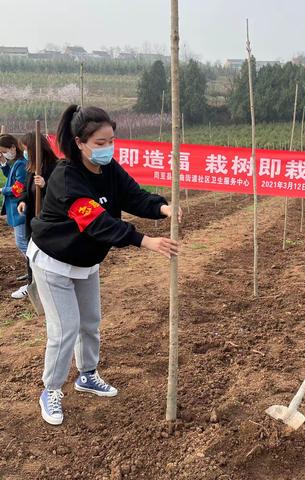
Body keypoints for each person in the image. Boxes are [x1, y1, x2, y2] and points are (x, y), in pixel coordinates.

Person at [29, 104, 180, 426]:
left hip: (85, 262)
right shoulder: (66, 179)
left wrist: (163, 207)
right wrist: (145, 241)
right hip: (54, 262)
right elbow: (97, 223)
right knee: (65, 328)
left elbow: (134, 197)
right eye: (100, 143)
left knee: (90, 323)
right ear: (80, 142)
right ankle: (51, 389)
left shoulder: (109, 169)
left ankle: (87, 375)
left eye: (111, 140)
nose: (107, 148)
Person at [17, 132, 59, 287]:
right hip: (32, 220)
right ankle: (32, 283)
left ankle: (47, 283)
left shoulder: (55, 167)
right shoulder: (32, 168)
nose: (25, 153)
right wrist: (22, 200)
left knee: (46, 253)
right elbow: (26, 190)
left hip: (48, 220)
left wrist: (45, 185)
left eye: (27, 149)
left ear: (36, 149)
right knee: (31, 251)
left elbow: (62, 194)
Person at [0, 134, 29, 298]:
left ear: (13, 148)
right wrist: (3, 165)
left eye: (4, 152)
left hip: (20, 210)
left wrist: (3, 190)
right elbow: (11, 176)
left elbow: (18, 188)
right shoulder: (17, 163)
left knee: (23, 243)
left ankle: (35, 275)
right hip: (16, 210)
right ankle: (31, 270)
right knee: (24, 243)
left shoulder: (21, 164)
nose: (4, 155)